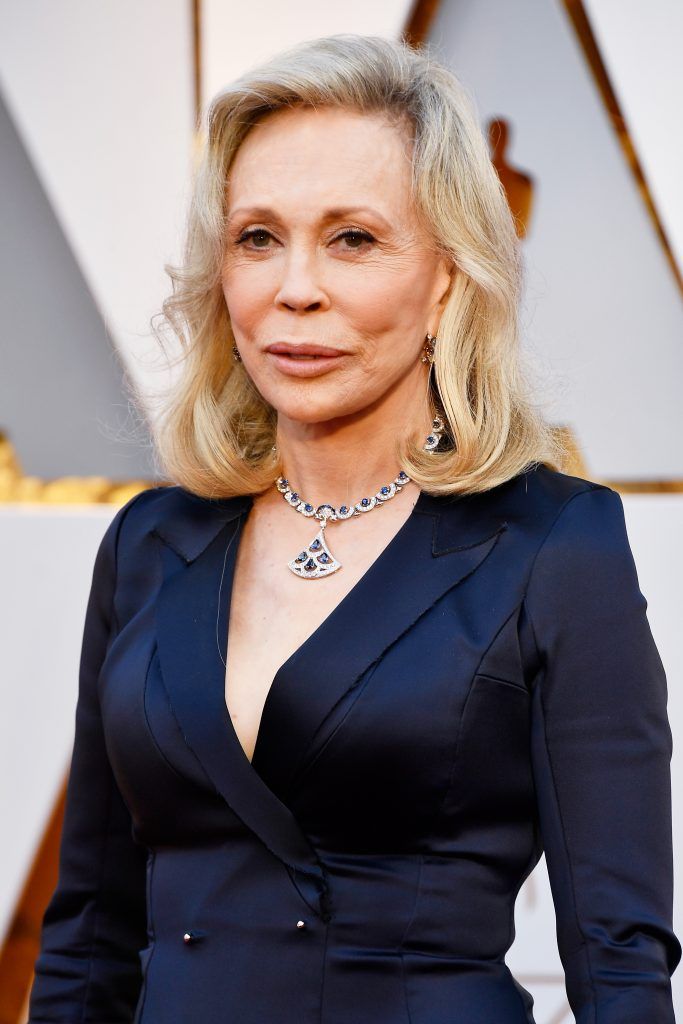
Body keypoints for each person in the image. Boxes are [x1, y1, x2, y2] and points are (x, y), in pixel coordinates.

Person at [27, 33, 680, 1024]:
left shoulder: (554, 545)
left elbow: (616, 957)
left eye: (352, 238)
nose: (295, 287)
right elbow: (89, 930)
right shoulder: (150, 543)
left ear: (449, 279)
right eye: (256, 237)